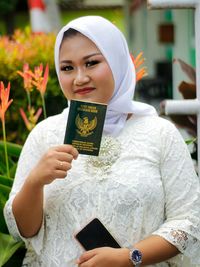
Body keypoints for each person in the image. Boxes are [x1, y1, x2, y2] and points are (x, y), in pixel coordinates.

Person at [4, 15, 200, 267]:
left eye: (91, 63)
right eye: (67, 68)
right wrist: (35, 182)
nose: (79, 78)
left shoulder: (160, 133)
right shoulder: (45, 134)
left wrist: (130, 257)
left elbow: (189, 221)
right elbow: (25, 231)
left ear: (118, 61)